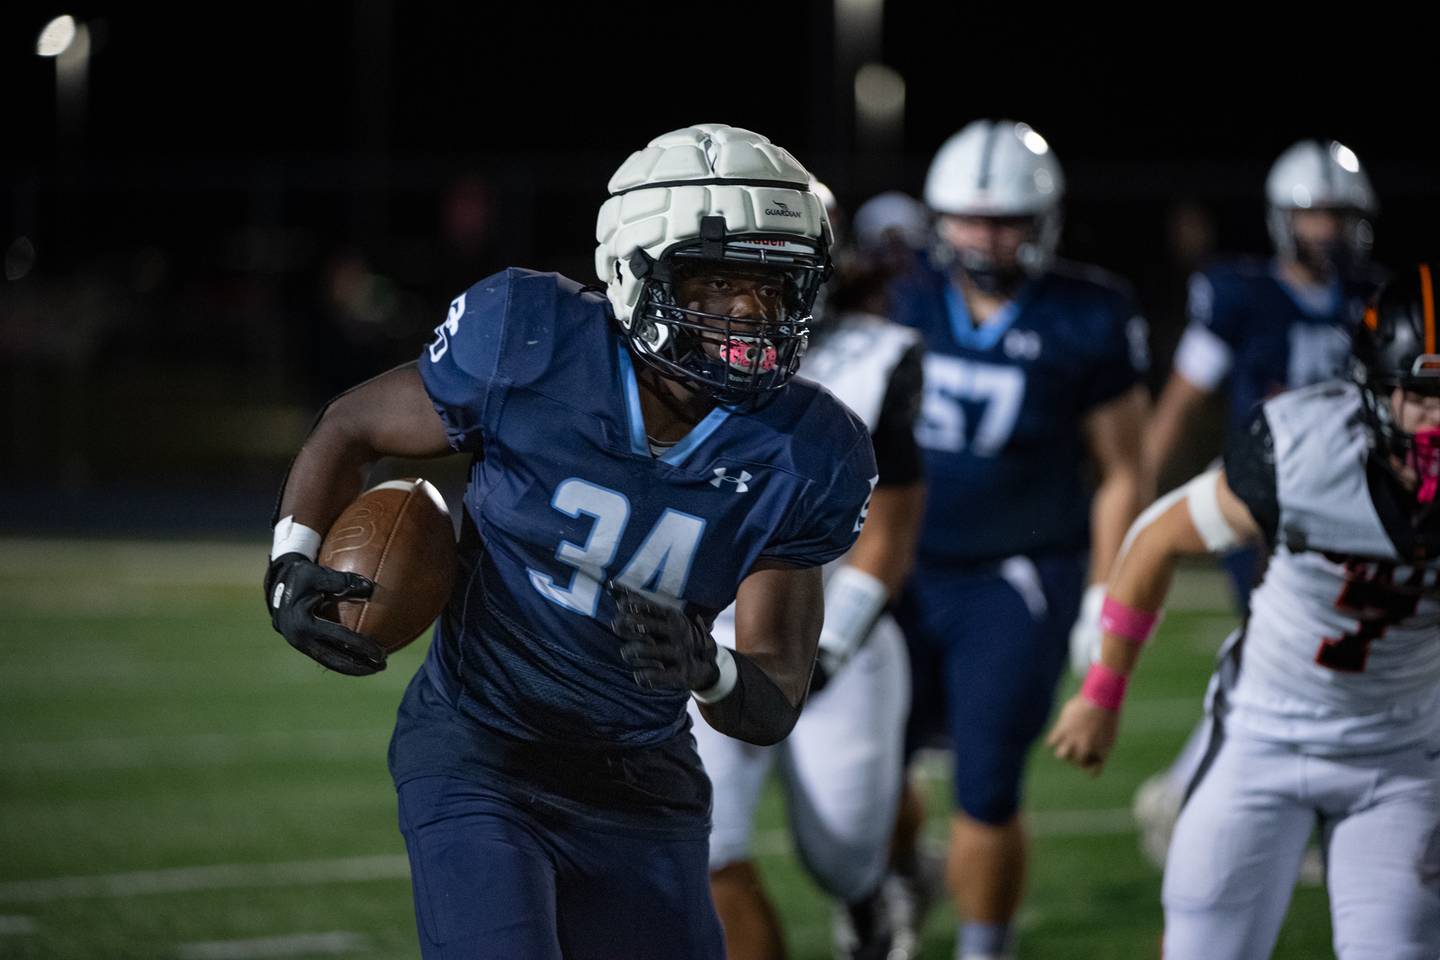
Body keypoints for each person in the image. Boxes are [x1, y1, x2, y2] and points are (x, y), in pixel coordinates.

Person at [263, 123, 879, 960]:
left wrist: (706, 664)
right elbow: (352, 425)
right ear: (634, 269)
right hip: (482, 748)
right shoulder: (530, 339)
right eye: (714, 281)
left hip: (641, 781)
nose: (747, 313)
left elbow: (772, 697)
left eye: (772, 286)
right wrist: (290, 558)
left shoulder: (810, 449)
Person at [1049, 265, 1440, 960]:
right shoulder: (1305, 452)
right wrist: (1103, 694)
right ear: (1377, 392)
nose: (1438, 420)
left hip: (1403, 756)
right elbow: (1156, 539)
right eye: (1422, 396)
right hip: (1264, 736)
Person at [888, 119, 1149, 960]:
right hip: (897, 567)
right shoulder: (900, 295)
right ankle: (904, 881)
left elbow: (1123, 469)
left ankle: (982, 947)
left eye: (1006, 220)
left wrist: (1105, 595)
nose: (988, 236)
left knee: (987, 786)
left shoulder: (1090, 312)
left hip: (1018, 574)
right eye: (970, 218)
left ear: (1045, 222)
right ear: (937, 219)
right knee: (867, 778)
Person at [1125, 138, 1387, 871]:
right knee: (1291, 653)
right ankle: (1201, 794)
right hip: (1267, 500)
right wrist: (1143, 490)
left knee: (1308, 656)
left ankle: (1201, 792)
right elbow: (1184, 399)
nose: (1327, 231)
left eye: (1339, 215)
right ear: (1282, 219)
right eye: (1312, 215)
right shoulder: (1244, 295)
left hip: (1358, 507)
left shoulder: (1374, 300)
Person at [692, 184, 927, 960]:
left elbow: (890, 532)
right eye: (741, 267)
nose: (757, 291)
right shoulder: (665, 351)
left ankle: (872, 897)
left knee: (842, 855)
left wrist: (824, 654)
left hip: (831, 636)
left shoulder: (876, 356)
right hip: (703, 634)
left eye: (782, 265)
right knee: (705, 845)